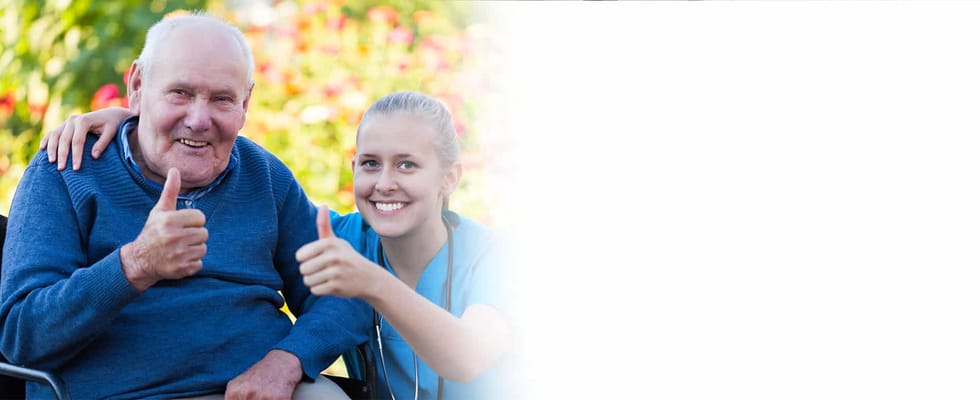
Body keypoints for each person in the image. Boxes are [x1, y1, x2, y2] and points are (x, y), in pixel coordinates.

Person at [44, 92, 521, 399]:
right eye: (370, 164)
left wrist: (371, 283)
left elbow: (466, 359)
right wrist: (136, 119)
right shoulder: (344, 237)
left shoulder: (495, 260)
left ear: (450, 177)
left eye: (409, 166)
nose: (385, 184)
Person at [2, 12, 371, 399]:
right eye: (180, 93)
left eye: (222, 99)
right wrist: (135, 265)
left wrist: (287, 360)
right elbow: (22, 336)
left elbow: (343, 292)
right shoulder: (65, 170)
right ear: (139, 86)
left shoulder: (263, 176)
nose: (198, 120)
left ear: (246, 103)